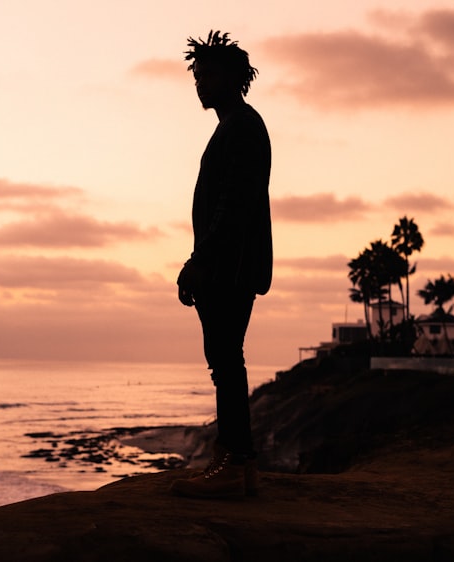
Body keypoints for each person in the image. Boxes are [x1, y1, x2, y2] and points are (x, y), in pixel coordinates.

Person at [170, 31, 272, 499]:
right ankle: (238, 464)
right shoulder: (233, 126)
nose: (200, 84)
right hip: (226, 265)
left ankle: (232, 464)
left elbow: (233, 206)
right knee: (225, 361)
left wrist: (199, 260)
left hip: (228, 268)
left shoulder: (243, 127)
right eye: (197, 76)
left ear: (235, 78)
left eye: (209, 74)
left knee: (226, 362)